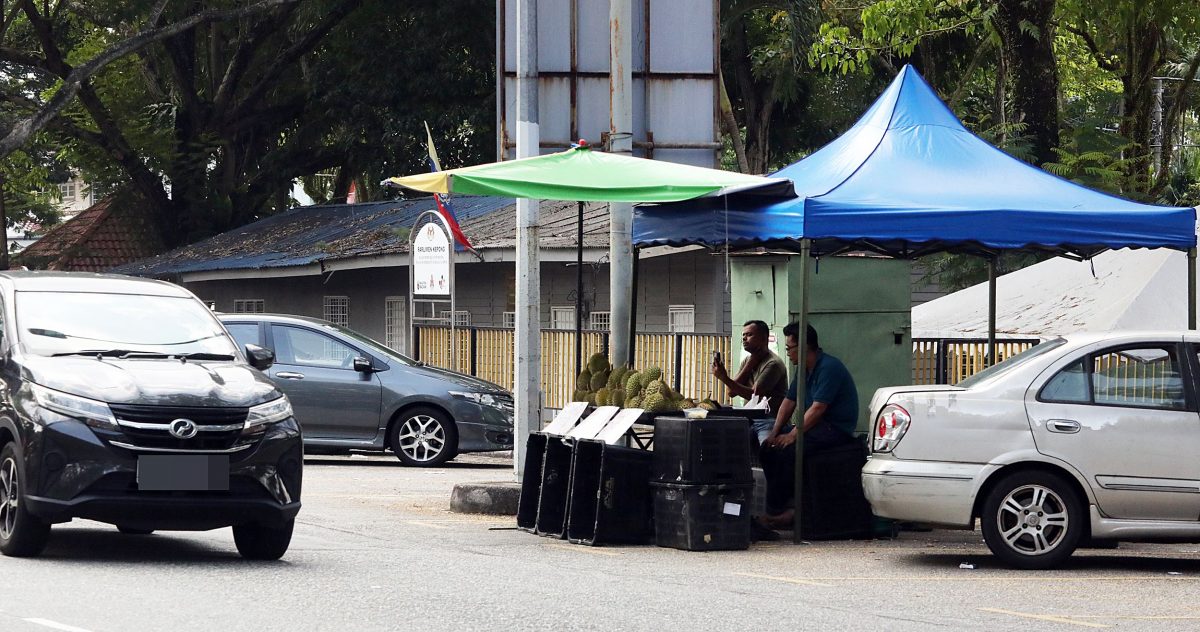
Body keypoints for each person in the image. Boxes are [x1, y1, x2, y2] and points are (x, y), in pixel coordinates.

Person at [757, 322, 859, 531]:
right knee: (768, 449)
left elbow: (819, 407)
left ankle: (780, 512)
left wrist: (793, 435)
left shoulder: (830, 367)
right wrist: (775, 433)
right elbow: (788, 401)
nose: (788, 354)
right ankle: (782, 506)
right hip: (814, 427)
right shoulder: (803, 370)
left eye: (789, 349)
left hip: (835, 428)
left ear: (804, 347)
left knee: (788, 451)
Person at [711, 320, 789, 443]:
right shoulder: (748, 360)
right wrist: (749, 365)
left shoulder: (773, 364)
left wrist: (724, 378)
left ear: (763, 338)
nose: (744, 339)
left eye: (749, 335)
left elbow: (755, 396)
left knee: (767, 452)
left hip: (769, 420)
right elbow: (731, 392)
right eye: (743, 335)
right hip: (750, 418)